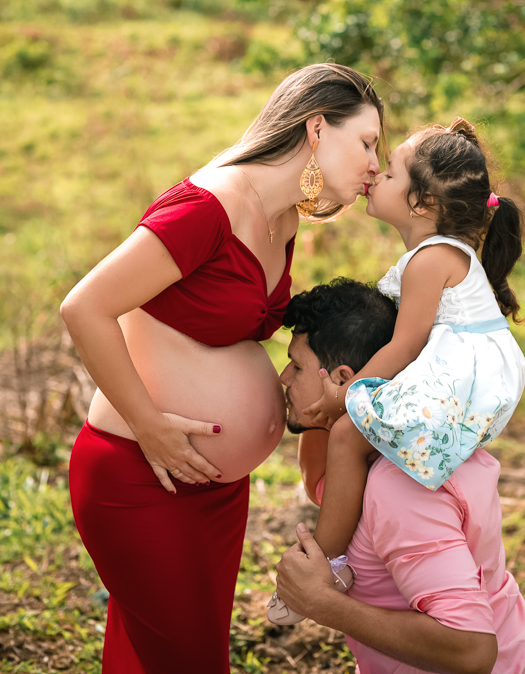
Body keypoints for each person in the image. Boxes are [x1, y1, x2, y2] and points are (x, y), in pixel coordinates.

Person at [61, 63, 384, 674]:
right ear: (317, 127)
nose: (374, 164)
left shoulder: (283, 217)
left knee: (150, 656)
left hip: (213, 490)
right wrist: (149, 423)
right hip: (141, 476)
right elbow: (85, 306)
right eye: (366, 142)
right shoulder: (209, 207)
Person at [269, 116, 525, 623]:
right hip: (462, 373)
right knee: (351, 436)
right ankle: (340, 552)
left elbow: (407, 343)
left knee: (347, 435)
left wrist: (351, 396)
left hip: (462, 378)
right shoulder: (429, 256)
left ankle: (325, 563)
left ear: (424, 202)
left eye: (388, 173)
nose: (374, 177)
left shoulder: (432, 259)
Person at [275, 279, 525, 674]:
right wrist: (337, 406)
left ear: (343, 377)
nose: (283, 377)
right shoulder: (368, 457)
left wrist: (323, 603)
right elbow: (319, 481)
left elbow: (471, 650)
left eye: (296, 365)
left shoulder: (400, 485)